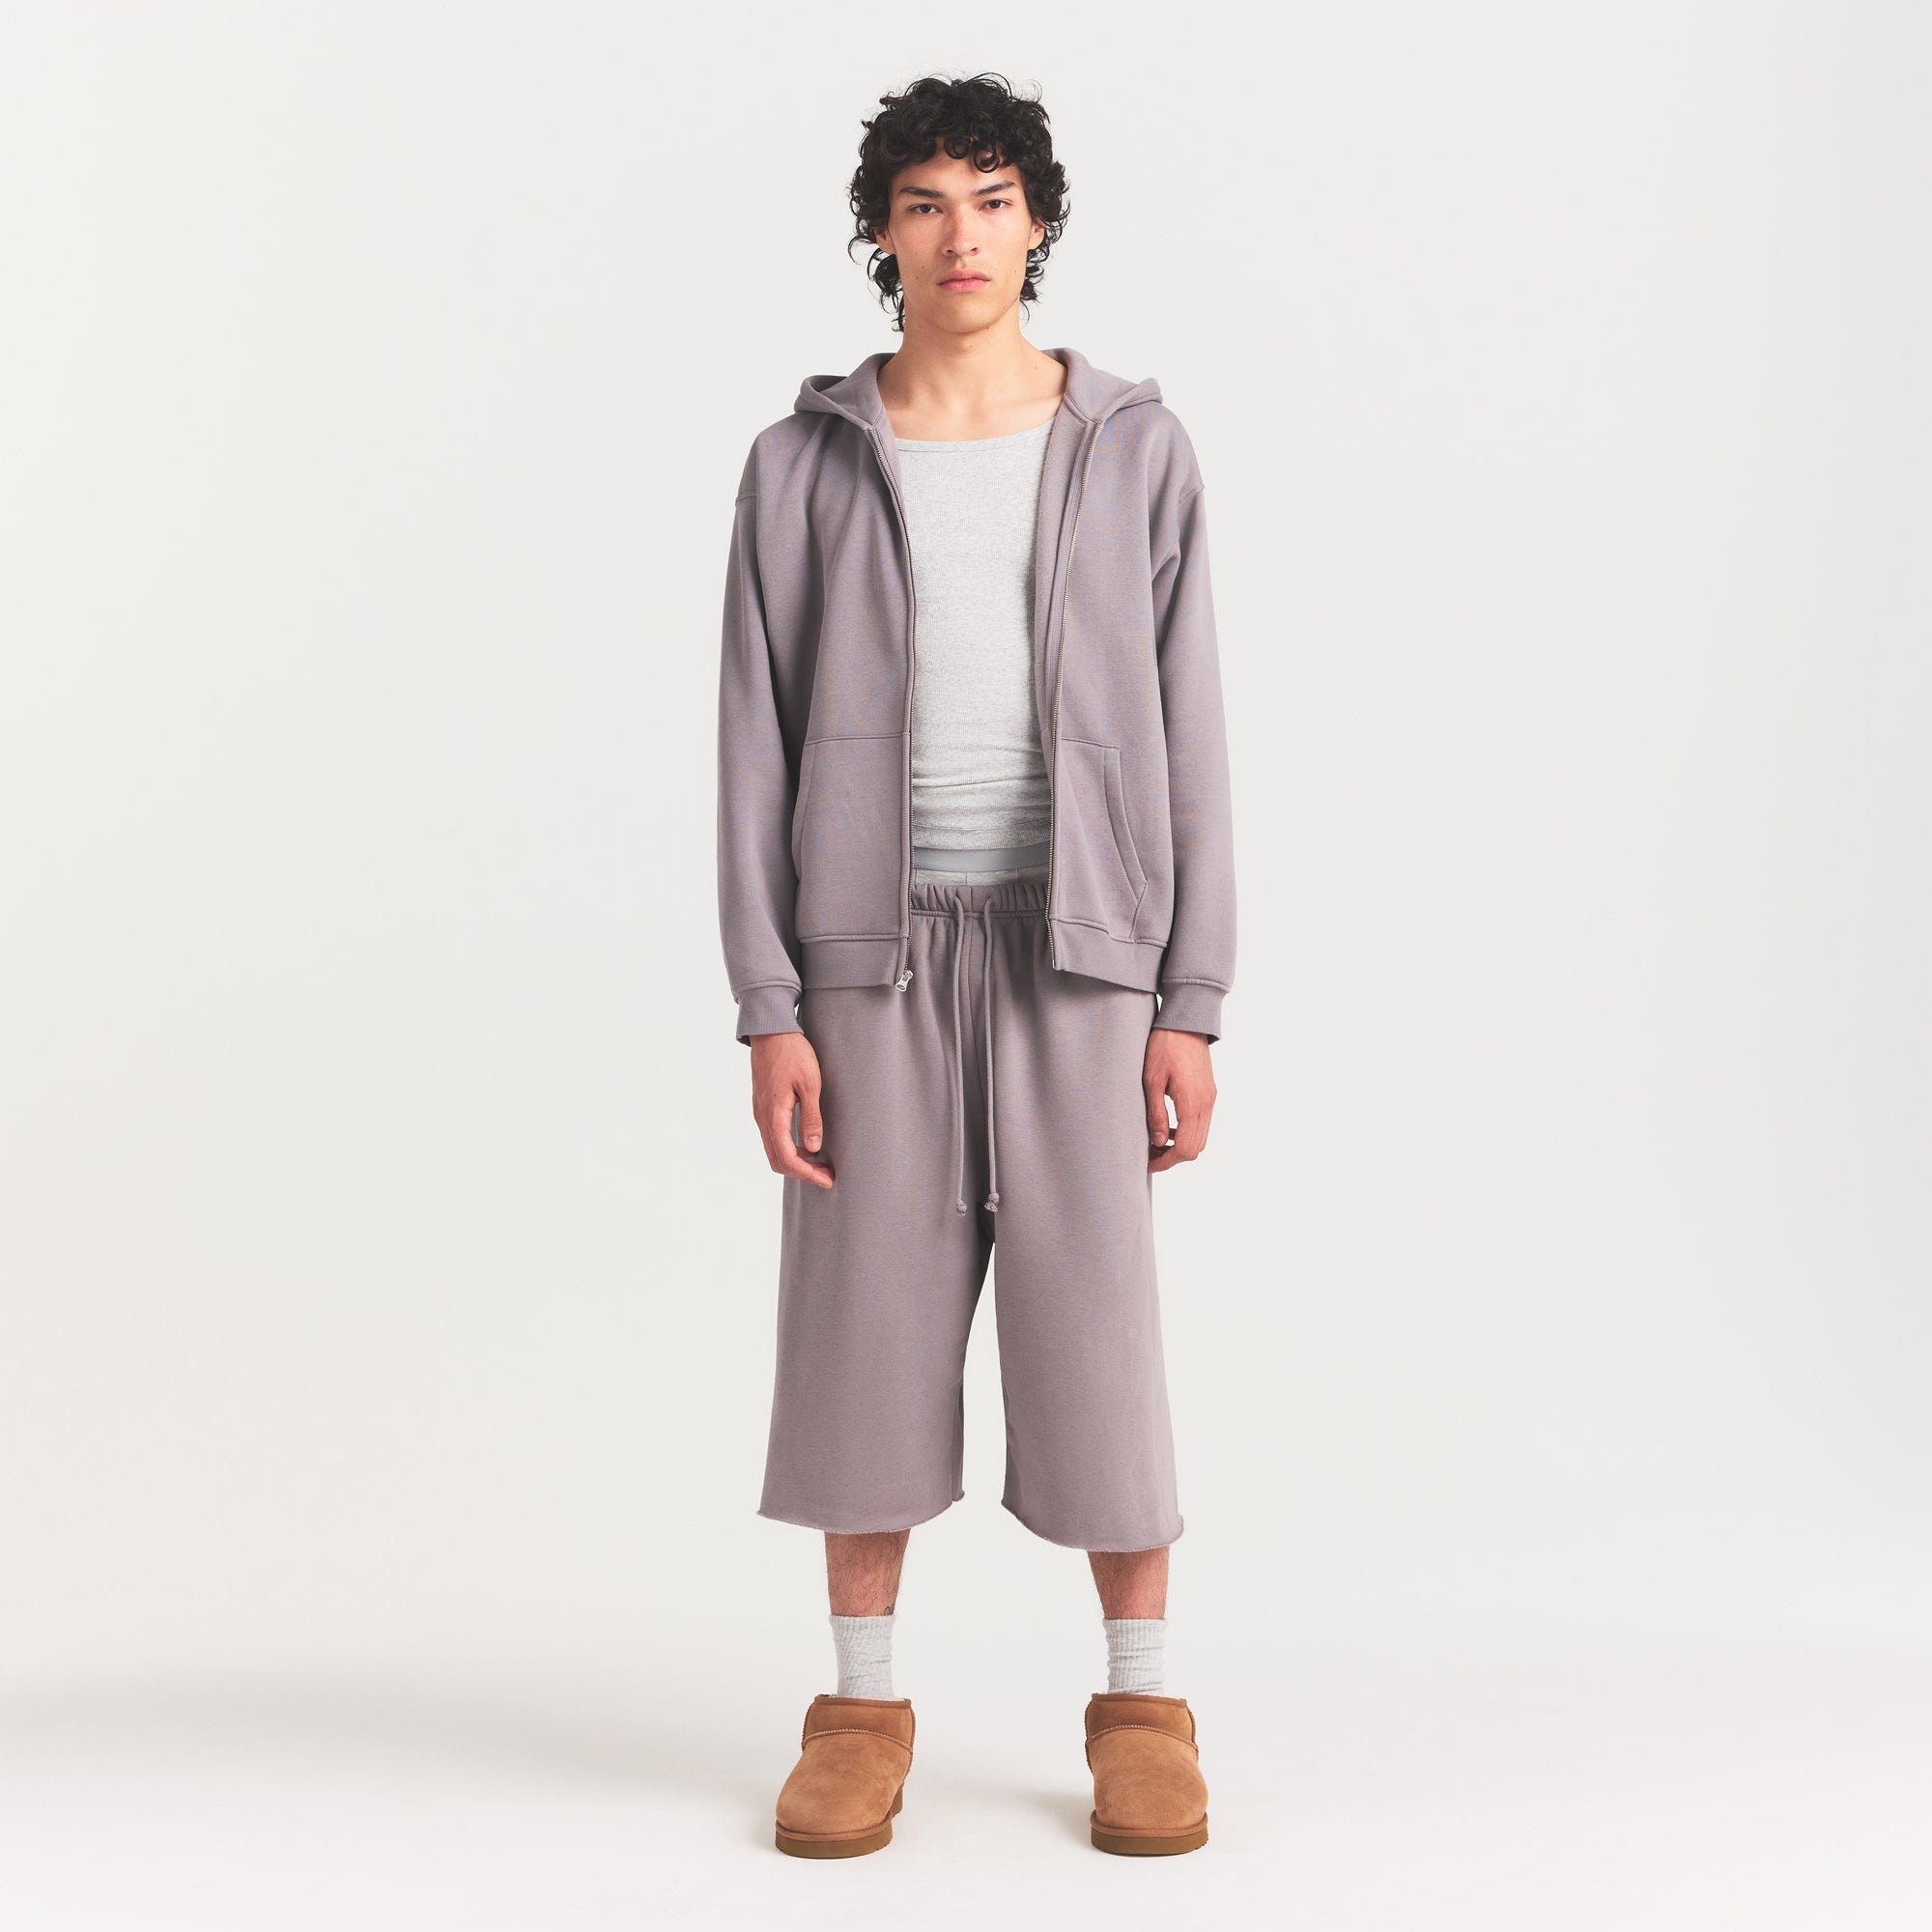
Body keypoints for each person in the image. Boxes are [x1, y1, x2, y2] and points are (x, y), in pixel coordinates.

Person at [715, 71, 1236, 1860]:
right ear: (883, 232)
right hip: (869, 965)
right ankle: (860, 1710)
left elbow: (1190, 730)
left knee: (1098, 1337)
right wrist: (772, 1005)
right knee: (861, 1337)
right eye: (927, 201)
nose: (963, 234)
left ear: (1040, 223)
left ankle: (1143, 1706)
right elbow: (754, 748)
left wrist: (1188, 1000)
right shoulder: (800, 464)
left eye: (994, 199)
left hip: (1081, 957)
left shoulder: (1134, 447)